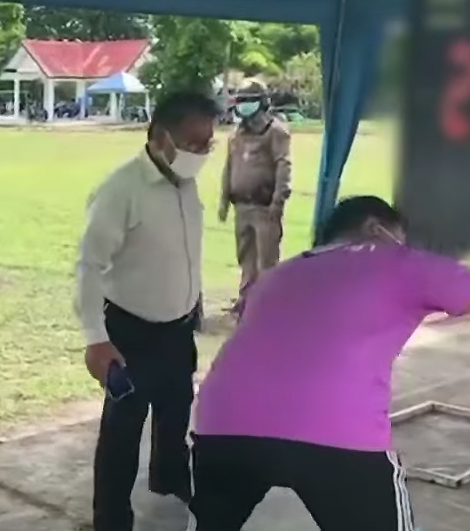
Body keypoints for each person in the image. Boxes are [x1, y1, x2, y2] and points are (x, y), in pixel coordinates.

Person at [188, 195, 470, 531]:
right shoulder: (397, 260)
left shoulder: (277, 275)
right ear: (373, 228)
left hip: (222, 422)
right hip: (334, 428)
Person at [75, 91, 219, 531]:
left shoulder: (184, 183)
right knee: (122, 430)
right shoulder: (121, 190)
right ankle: (111, 518)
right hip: (129, 333)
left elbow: (184, 252)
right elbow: (89, 265)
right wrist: (96, 339)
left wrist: (195, 302)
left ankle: (169, 477)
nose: (201, 154)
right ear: (160, 138)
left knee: (176, 410)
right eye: (193, 144)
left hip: (178, 328)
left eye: (208, 145)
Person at [217, 79, 291, 313]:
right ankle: (246, 300)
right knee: (245, 257)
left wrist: (278, 200)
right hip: (241, 206)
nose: (242, 105)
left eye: (248, 101)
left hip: (264, 206)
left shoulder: (275, 132)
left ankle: (267, 304)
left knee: (266, 259)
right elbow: (229, 167)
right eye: (240, 101)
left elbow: (283, 166)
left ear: (262, 102)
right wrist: (224, 200)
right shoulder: (237, 134)